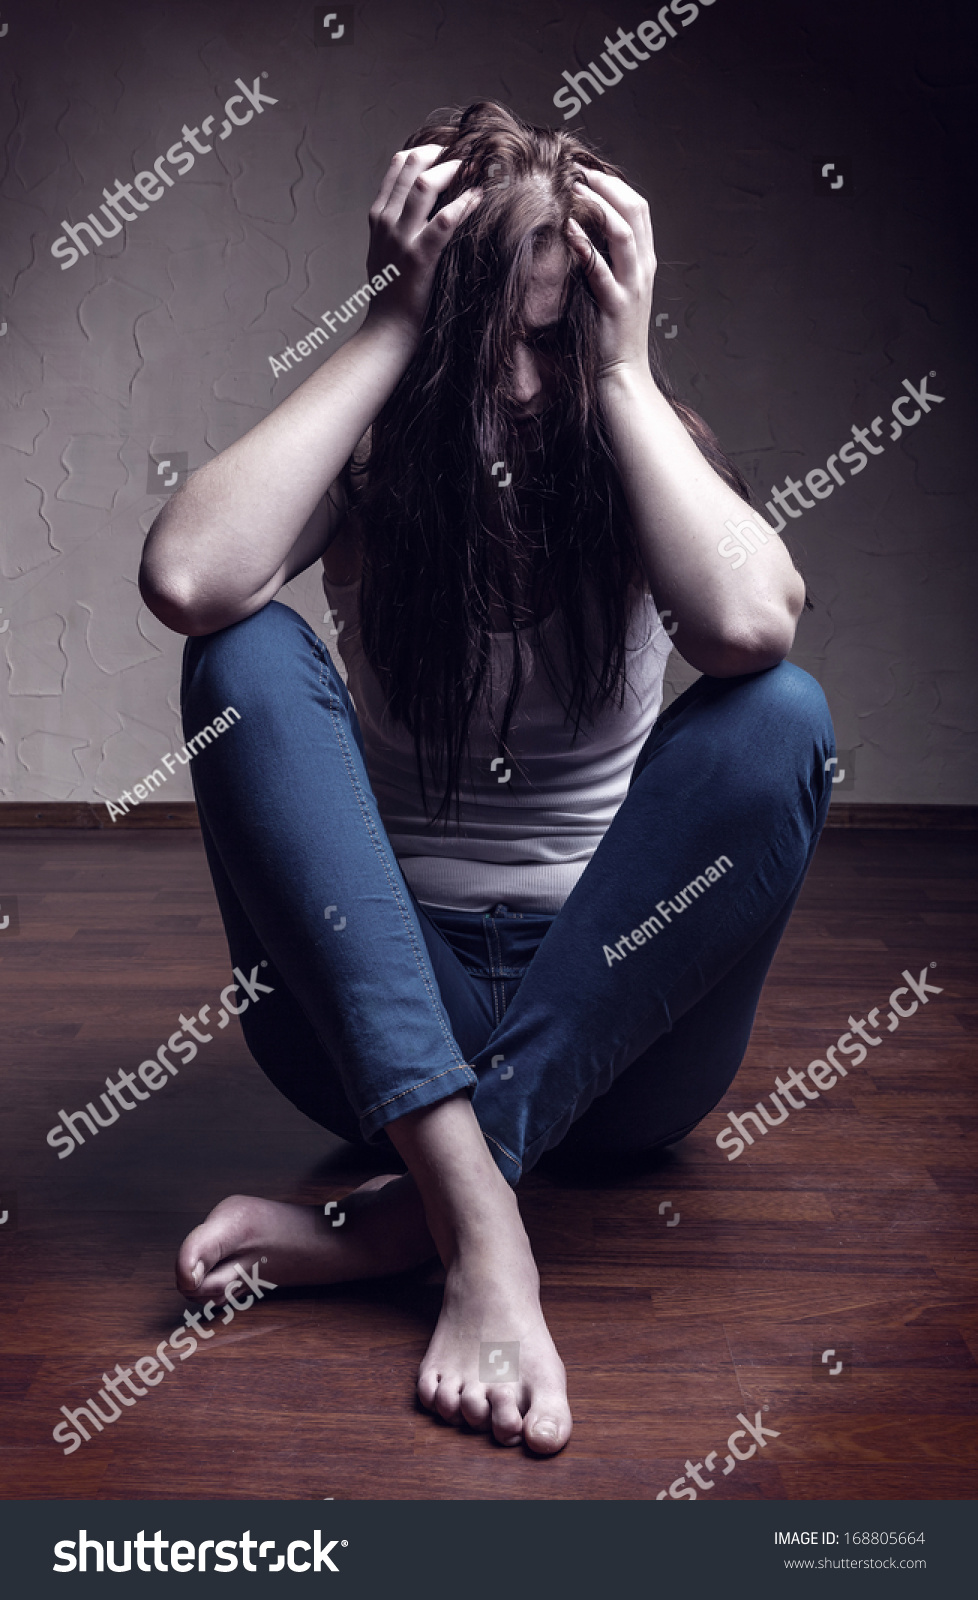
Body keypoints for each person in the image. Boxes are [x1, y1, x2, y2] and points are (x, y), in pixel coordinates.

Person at [138, 101, 833, 1457]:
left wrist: (623, 380)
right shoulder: (377, 452)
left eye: (549, 335)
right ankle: (485, 1234)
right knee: (246, 661)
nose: (517, 382)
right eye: (480, 335)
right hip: (375, 1030)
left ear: (593, 316)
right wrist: (390, 328)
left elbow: (750, 632)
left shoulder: (633, 438)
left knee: (779, 713)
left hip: (619, 1034)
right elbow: (189, 581)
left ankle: (418, 1217)